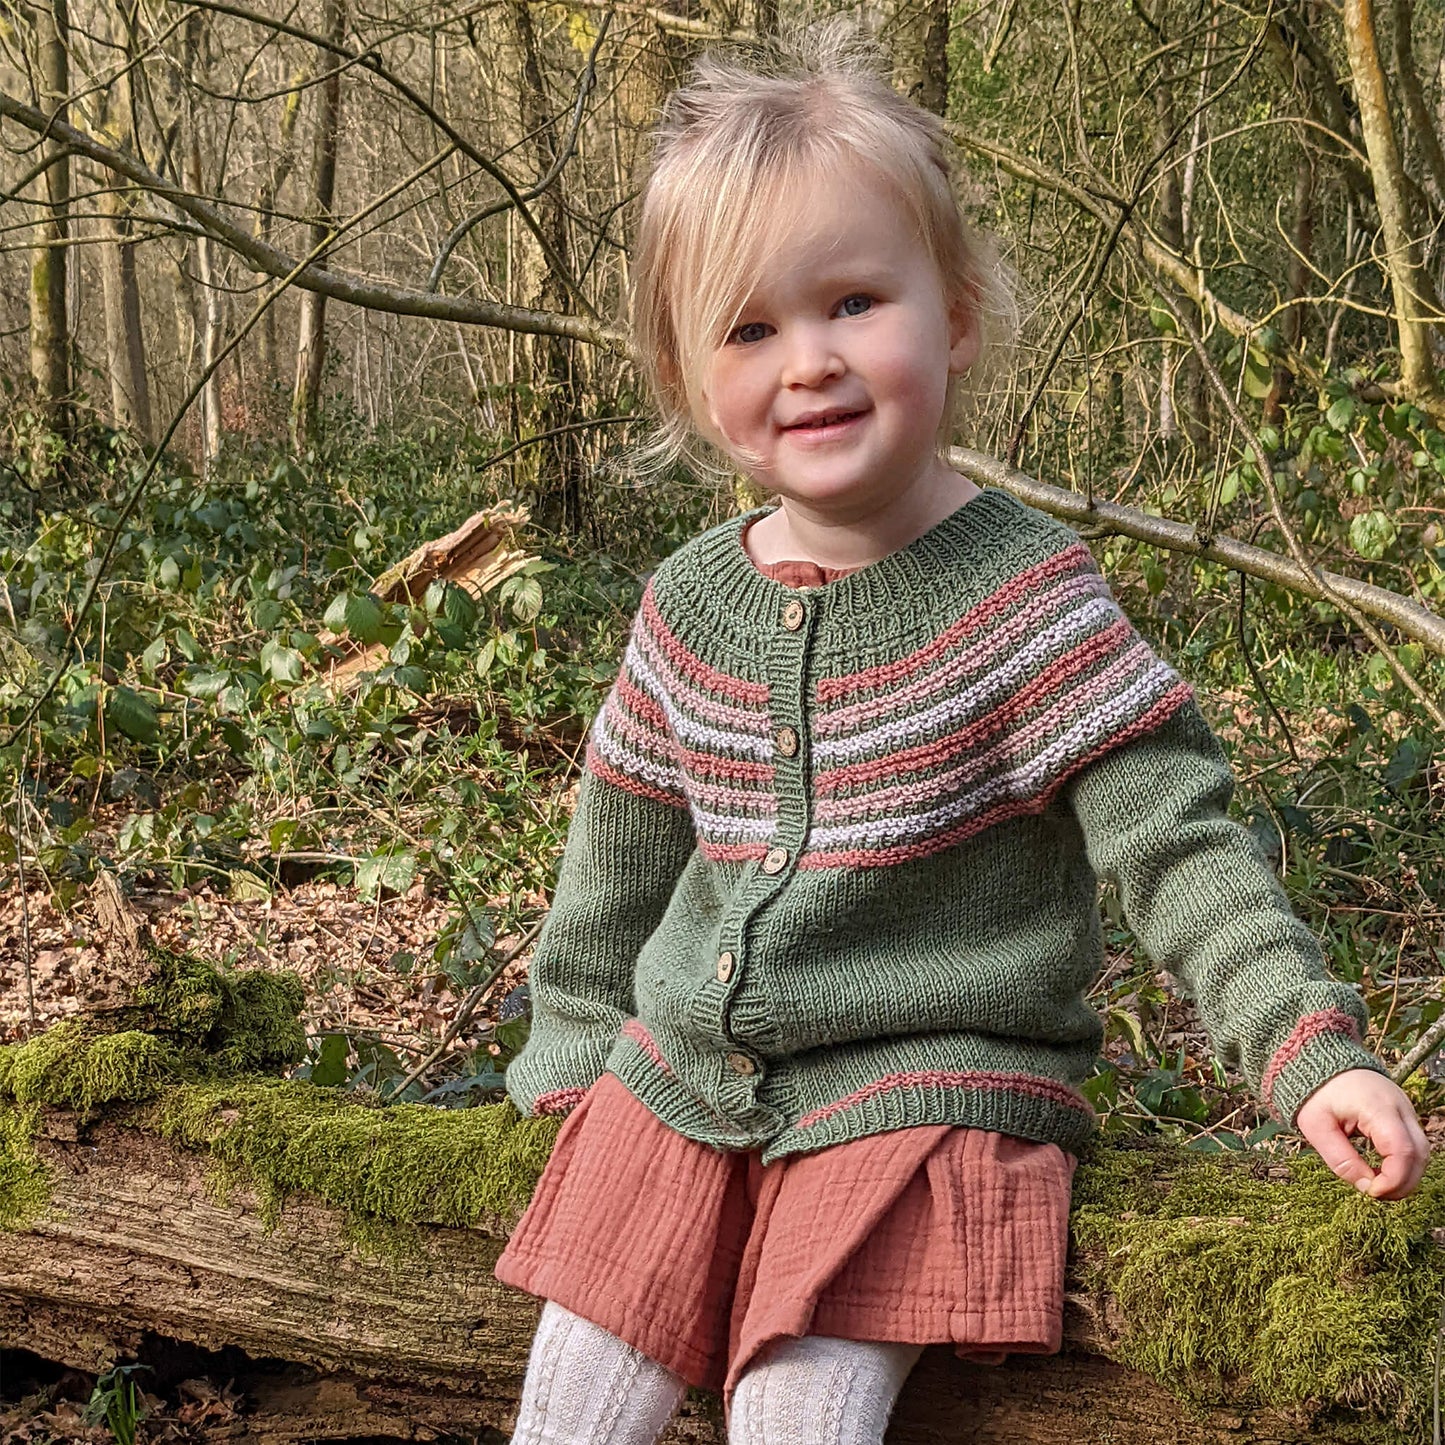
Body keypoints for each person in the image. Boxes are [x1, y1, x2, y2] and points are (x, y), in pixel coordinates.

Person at [494, 19, 1430, 1445]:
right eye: (749, 327)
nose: (807, 360)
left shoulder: (1024, 595)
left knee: (796, 1412)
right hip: (685, 1078)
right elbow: (616, 855)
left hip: (923, 1086)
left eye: (855, 300)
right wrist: (569, 1053)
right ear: (690, 382)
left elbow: (1175, 839)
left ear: (957, 314)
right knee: (573, 1388)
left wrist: (1308, 1045)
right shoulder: (687, 603)